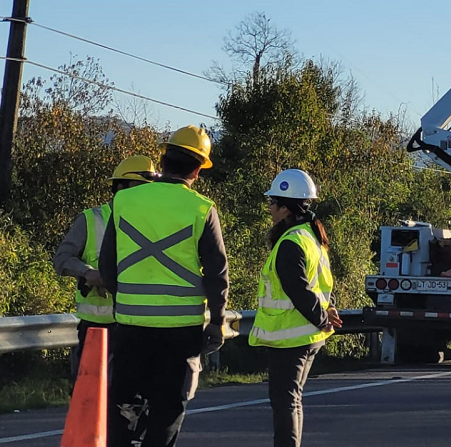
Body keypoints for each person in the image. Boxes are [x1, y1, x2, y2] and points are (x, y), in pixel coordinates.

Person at [99, 125, 229, 447]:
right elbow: (217, 273)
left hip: (130, 325)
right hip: (180, 331)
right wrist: (216, 321)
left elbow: (106, 266)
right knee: (168, 408)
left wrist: (128, 297)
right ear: (198, 169)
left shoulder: (124, 201)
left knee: (123, 405)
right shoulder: (201, 208)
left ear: (163, 157)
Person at [249, 168, 342, 447]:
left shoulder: (290, 242)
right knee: (293, 399)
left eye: (272, 203)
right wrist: (328, 310)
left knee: (285, 402)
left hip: (291, 335)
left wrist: (320, 318)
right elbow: (322, 281)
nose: (269, 209)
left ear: (285, 207)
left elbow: (299, 289)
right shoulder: (311, 237)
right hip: (306, 334)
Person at [52, 155, 158, 379]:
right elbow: (62, 259)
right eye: (139, 188)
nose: (145, 196)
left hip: (137, 325)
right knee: (89, 395)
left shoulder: (152, 225)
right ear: (120, 187)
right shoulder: (92, 220)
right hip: (96, 328)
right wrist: (89, 273)